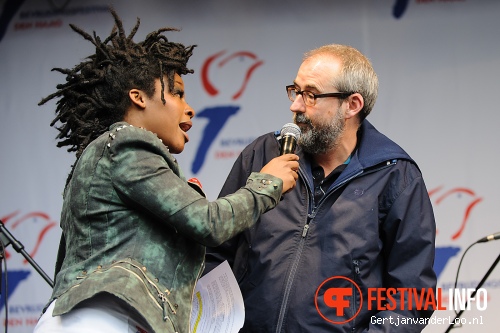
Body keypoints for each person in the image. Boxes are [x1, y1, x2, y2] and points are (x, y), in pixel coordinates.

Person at [33, 8, 299, 333]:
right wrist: (268, 183)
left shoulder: (111, 153)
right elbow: (208, 222)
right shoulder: (127, 144)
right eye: (176, 93)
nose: (189, 108)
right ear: (138, 97)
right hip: (100, 319)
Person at [205, 44, 437, 332]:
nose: (296, 106)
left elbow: (412, 296)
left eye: (311, 95)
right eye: (295, 91)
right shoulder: (263, 155)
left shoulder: (396, 176)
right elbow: (215, 252)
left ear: (352, 105)